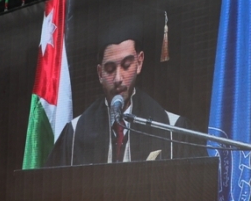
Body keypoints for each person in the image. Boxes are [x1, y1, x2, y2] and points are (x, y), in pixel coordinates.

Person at [46, 23, 197, 166]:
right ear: (100, 73)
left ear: (139, 63)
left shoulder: (171, 130)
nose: (118, 78)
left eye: (126, 66)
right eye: (110, 69)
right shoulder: (76, 134)